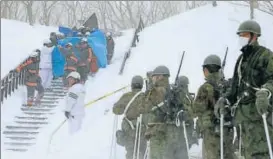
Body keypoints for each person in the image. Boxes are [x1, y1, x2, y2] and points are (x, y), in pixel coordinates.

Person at [219, 20, 273, 159]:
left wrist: (265, 91)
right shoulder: (241, 60)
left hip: (260, 121)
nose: (241, 38)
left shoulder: (266, 56)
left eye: (244, 35)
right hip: (243, 124)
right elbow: (234, 88)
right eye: (240, 35)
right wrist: (224, 99)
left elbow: (272, 79)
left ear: (254, 36)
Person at [193, 55, 235, 159]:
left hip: (211, 131)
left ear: (206, 70)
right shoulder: (227, 85)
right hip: (227, 129)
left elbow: (196, 109)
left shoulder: (206, 87)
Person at [113, 75, 146, 159]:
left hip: (129, 130)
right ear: (142, 85)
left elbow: (116, 111)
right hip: (144, 130)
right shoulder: (146, 97)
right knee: (144, 151)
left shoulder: (126, 96)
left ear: (132, 85)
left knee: (132, 152)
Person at [176, 75, 198, 149]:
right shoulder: (178, 95)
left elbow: (194, 110)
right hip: (182, 127)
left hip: (189, 125)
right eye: (185, 85)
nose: (186, 87)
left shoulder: (188, 96)